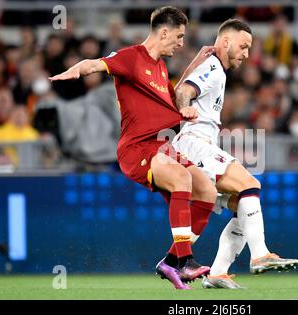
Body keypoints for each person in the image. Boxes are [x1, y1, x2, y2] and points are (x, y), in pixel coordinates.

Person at [49, 6, 218, 290]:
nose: (181, 42)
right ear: (163, 32)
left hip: (161, 147)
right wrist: (74, 70)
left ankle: (170, 261)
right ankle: (185, 260)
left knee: (208, 192)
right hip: (137, 149)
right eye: (178, 36)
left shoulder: (161, 67)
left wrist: (189, 92)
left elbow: (174, 98)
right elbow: (94, 63)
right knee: (182, 178)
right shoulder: (131, 58)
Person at [161, 18, 298, 289]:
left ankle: (217, 273)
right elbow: (183, 93)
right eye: (244, 46)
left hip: (195, 145)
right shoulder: (213, 66)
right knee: (250, 184)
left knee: (243, 205)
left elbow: (179, 88)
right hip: (194, 143)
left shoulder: (214, 68)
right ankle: (259, 255)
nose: (246, 54)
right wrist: (186, 107)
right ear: (225, 41)